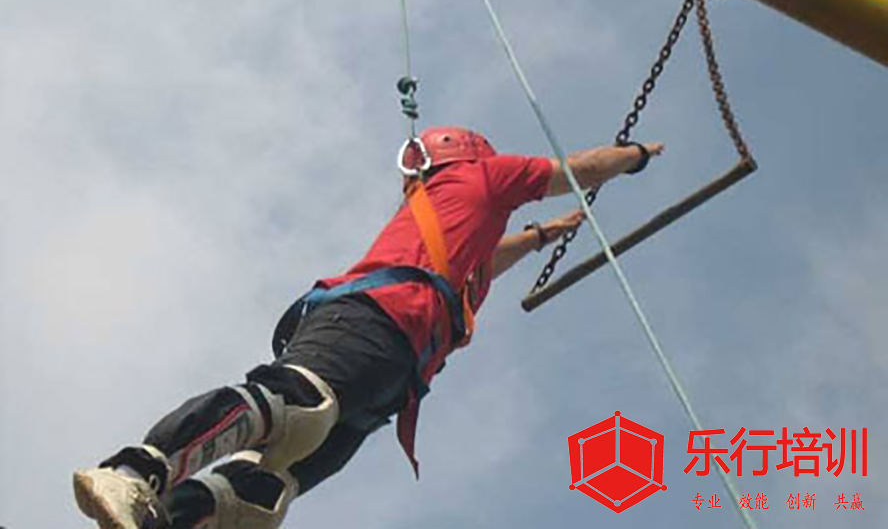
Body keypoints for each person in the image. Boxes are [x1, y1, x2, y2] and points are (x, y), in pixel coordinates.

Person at [73, 126, 664, 529]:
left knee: (264, 484)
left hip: (393, 373)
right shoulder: (483, 177)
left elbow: (483, 263)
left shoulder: (457, 228)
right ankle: (134, 472)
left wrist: (536, 238)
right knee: (293, 405)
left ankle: (172, 521)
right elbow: (579, 169)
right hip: (374, 320)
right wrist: (634, 156)